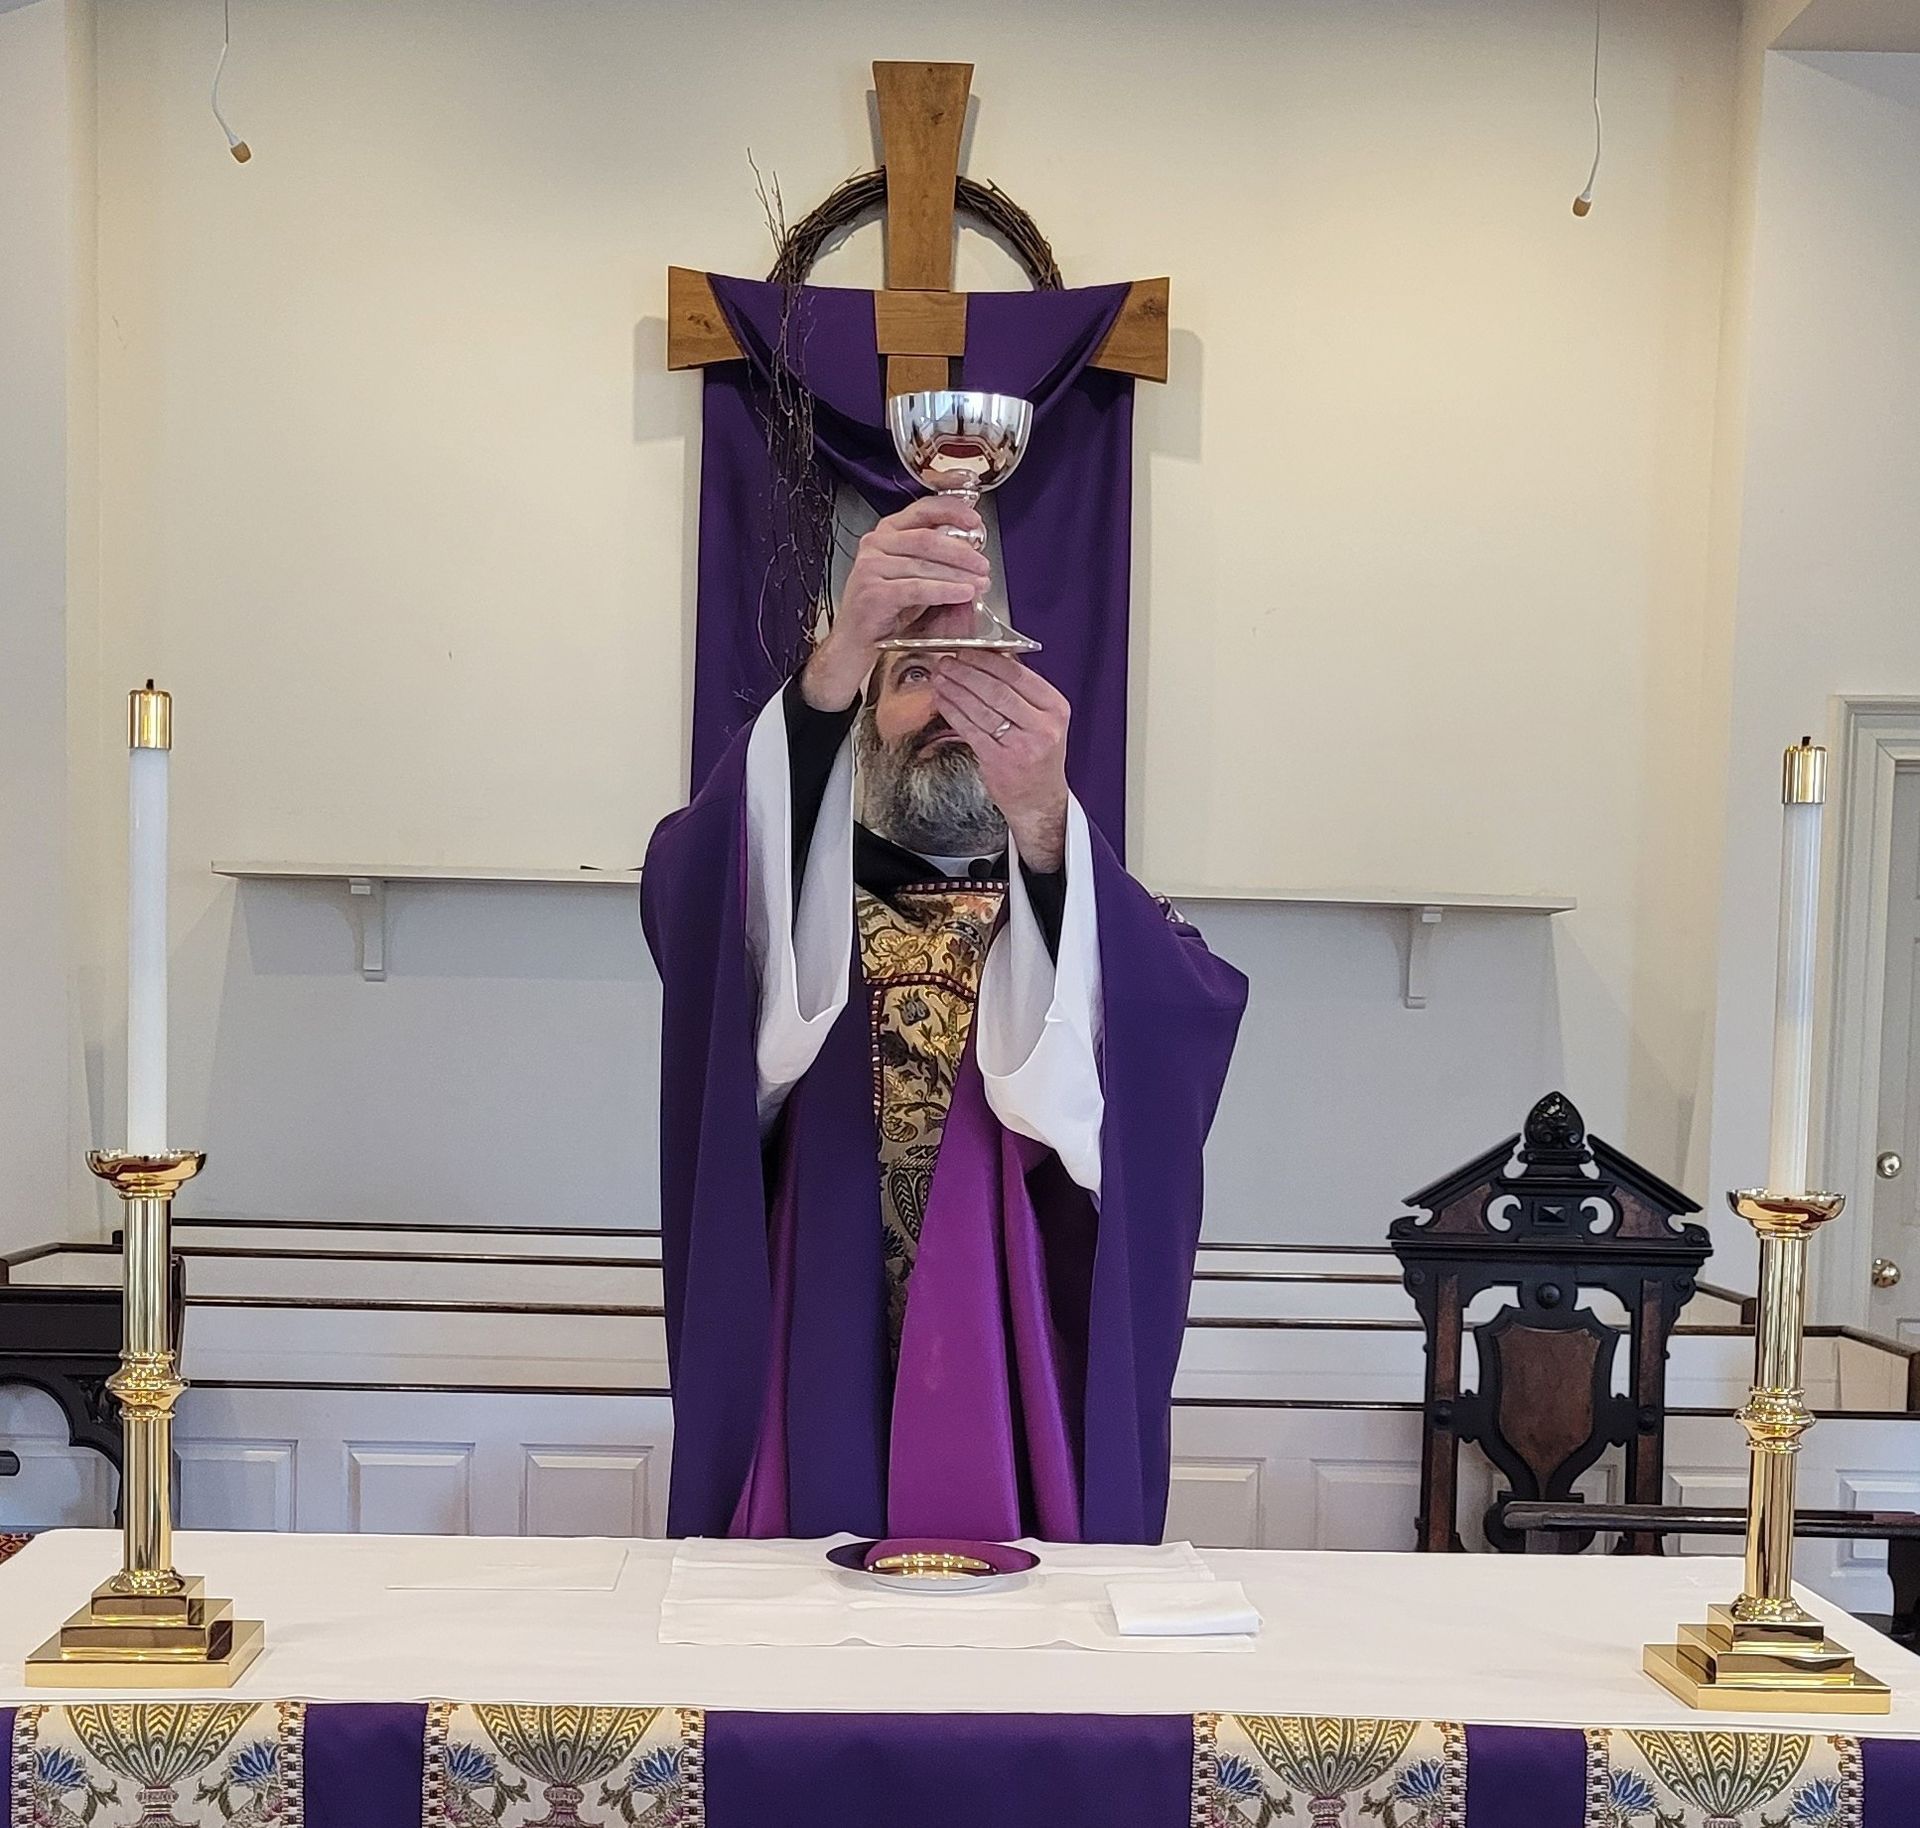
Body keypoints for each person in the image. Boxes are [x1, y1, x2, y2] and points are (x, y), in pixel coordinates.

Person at [642, 495, 1247, 1543]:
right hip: (813, 1322)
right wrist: (835, 661)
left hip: (1005, 1352)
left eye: (985, 682)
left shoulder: (1080, 898)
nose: (951, 711)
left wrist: (1049, 827)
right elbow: (692, 900)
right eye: (915, 676)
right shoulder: (793, 887)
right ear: (859, 719)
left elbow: (1181, 1025)